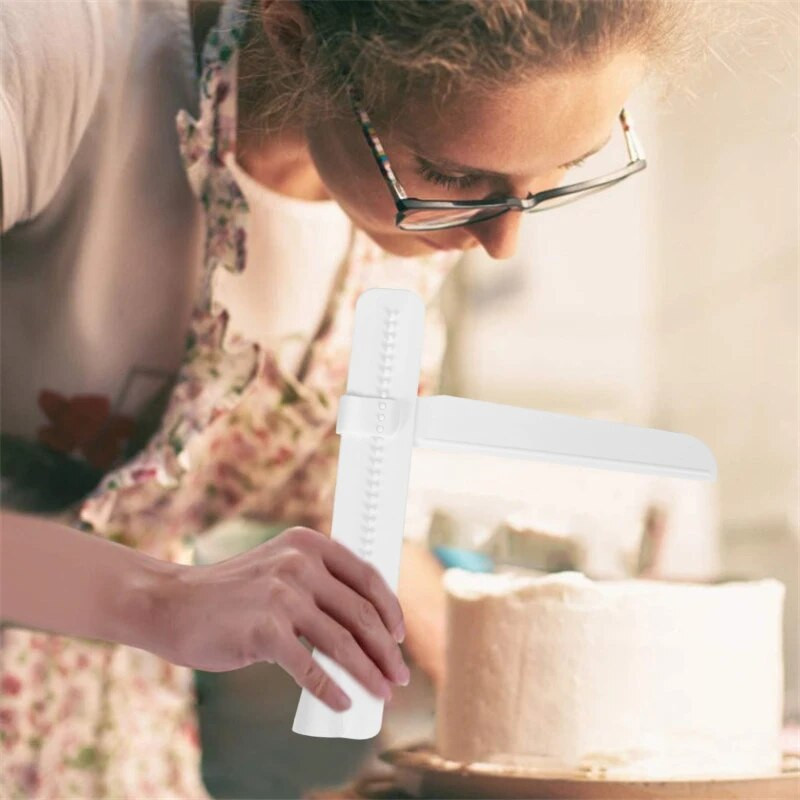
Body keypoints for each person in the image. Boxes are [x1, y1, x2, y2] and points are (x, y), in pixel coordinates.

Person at [0, 0, 704, 796]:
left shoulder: (401, 234)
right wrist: (155, 598)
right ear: (295, 32)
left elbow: (352, 518)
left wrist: (555, 670)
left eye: (559, 173)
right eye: (455, 175)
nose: (502, 243)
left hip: (110, 738)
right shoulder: (52, 54)